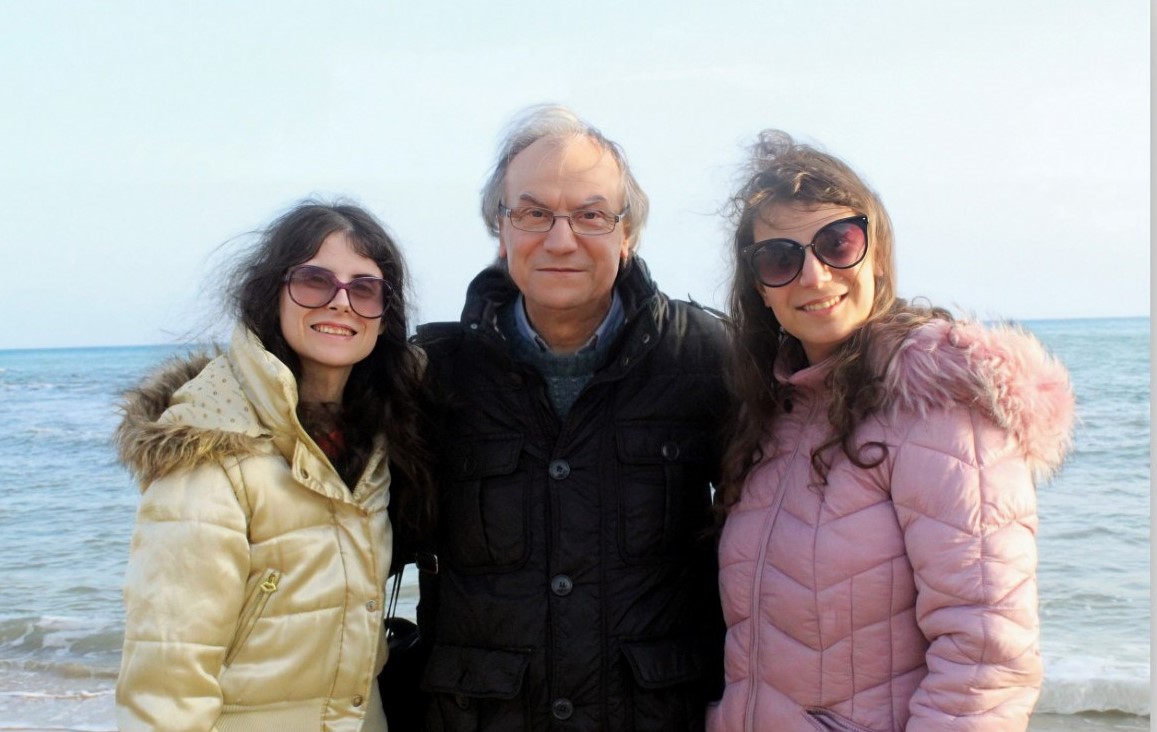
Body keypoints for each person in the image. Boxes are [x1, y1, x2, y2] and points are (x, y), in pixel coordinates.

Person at [708, 130, 1076, 732]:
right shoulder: (772, 417)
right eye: (780, 256)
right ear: (759, 287)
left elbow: (987, 659)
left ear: (876, 255)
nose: (815, 275)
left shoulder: (940, 409)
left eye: (837, 243)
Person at [414, 104, 730, 731]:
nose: (561, 240)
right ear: (500, 231)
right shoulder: (435, 376)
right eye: (533, 214)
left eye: (590, 215)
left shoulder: (705, 357)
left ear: (627, 233)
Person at [114, 200, 432, 731]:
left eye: (364, 288)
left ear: (384, 314)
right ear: (271, 293)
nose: (340, 302)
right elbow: (166, 677)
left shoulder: (378, 444)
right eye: (314, 281)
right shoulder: (214, 447)